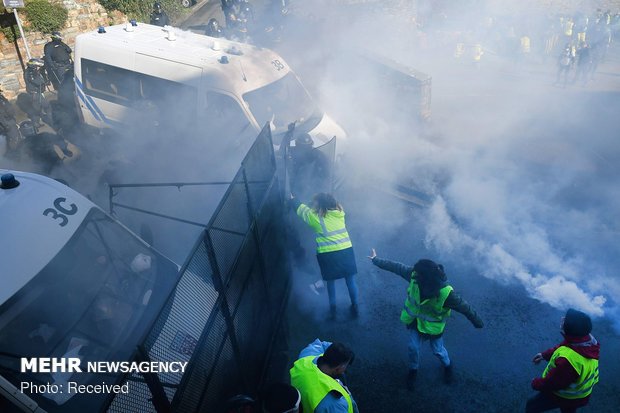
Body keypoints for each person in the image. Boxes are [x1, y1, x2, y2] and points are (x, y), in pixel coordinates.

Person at [368, 249, 483, 390]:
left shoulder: (447, 294)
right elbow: (397, 267)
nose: (413, 275)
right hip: (416, 323)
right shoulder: (416, 276)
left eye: (417, 274)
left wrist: (477, 322)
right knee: (413, 347)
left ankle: (447, 366)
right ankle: (413, 370)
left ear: (426, 278)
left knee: (438, 351)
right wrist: (376, 260)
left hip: (433, 328)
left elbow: (465, 308)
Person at [290, 193, 359, 320]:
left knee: (330, 283)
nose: (313, 204)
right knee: (350, 281)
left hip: (329, 255)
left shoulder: (317, 220)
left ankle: (333, 311)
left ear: (321, 206)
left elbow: (303, 211)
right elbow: (318, 208)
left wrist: (293, 199)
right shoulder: (340, 214)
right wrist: (314, 203)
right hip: (347, 251)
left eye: (315, 202)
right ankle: (355, 306)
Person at [526, 309, 600, 413]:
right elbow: (564, 346)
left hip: (564, 395)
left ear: (569, 329)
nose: (562, 319)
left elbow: (554, 383)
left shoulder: (567, 361)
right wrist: (544, 355)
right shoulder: (585, 341)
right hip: (580, 395)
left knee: (532, 405)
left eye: (565, 320)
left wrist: (535, 383)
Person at [290, 339, 358, 413]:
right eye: (346, 365)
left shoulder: (306, 356)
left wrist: (341, 352)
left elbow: (322, 345)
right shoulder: (334, 403)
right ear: (339, 368)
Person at [23, 58, 52, 126]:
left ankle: (36, 123)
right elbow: (34, 81)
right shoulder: (29, 72)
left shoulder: (33, 70)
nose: (38, 66)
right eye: (36, 65)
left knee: (38, 108)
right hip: (34, 93)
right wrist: (43, 83)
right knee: (46, 106)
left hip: (37, 92)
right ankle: (49, 119)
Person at [0, 88, 20, 156]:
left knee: (14, 137)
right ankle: (13, 154)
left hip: (9, 120)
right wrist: (5, 125)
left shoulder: (1, 97)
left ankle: (13, 153)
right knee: (13, 139)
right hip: (6, 122)